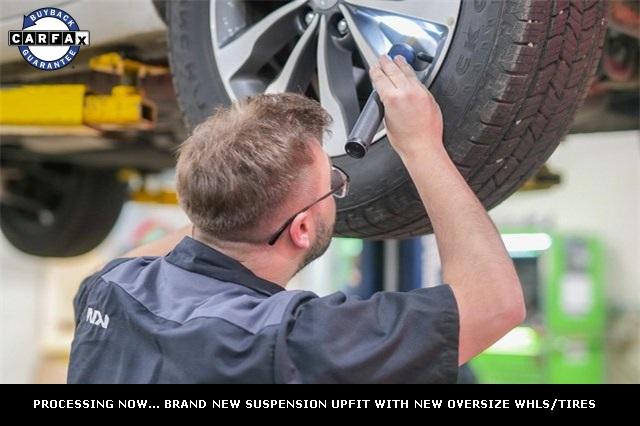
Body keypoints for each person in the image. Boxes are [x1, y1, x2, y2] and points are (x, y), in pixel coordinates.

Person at [68, 55, 525, 383]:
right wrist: (422, 146)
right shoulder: (286, 342)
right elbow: (494, 305)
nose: (338, 190)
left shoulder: (110, 291)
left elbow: (154, 252)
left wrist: (239, 183)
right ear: (302, 229)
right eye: (334, 183)